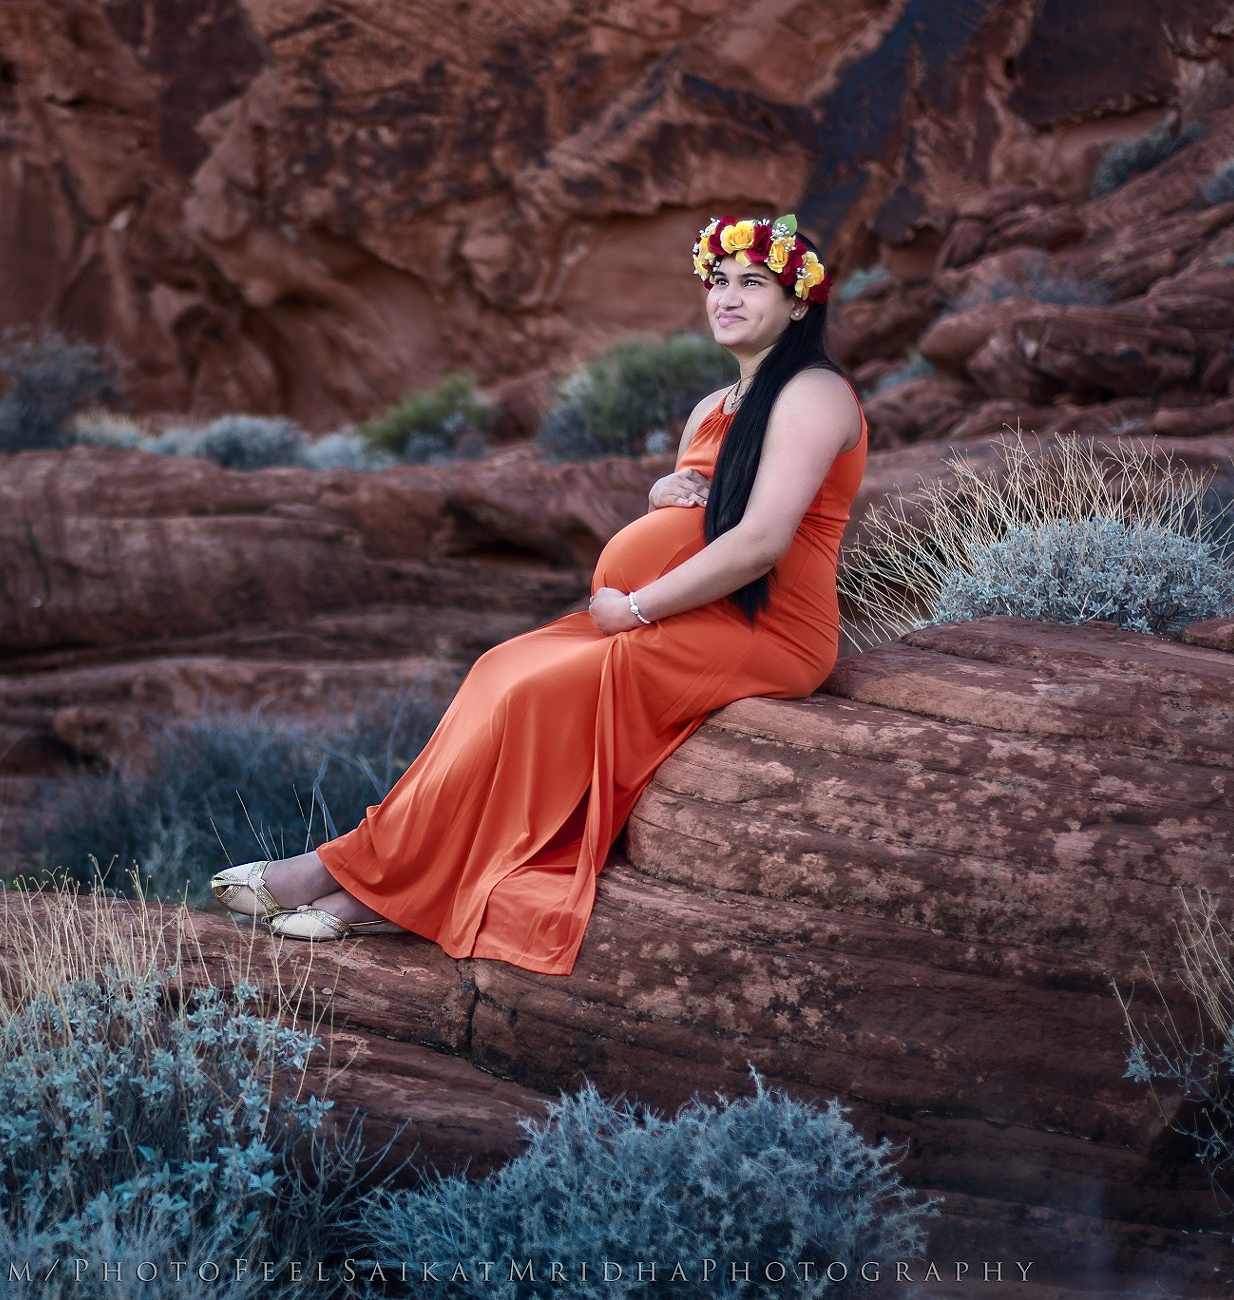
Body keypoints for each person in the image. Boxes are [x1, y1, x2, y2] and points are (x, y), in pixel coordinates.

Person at [210, 214, 868, 976]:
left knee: (546, 694)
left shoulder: (814, 393)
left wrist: (639, 607)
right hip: (693, 609)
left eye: (753, 283)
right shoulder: (716, 404)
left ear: (798, 304)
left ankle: (355, 883)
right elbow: (707, 503)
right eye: (717, 282)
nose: (726, 296)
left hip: (767, 629)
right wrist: (666, 491)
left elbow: (760, 541)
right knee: (500, 670)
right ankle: (364, 875)